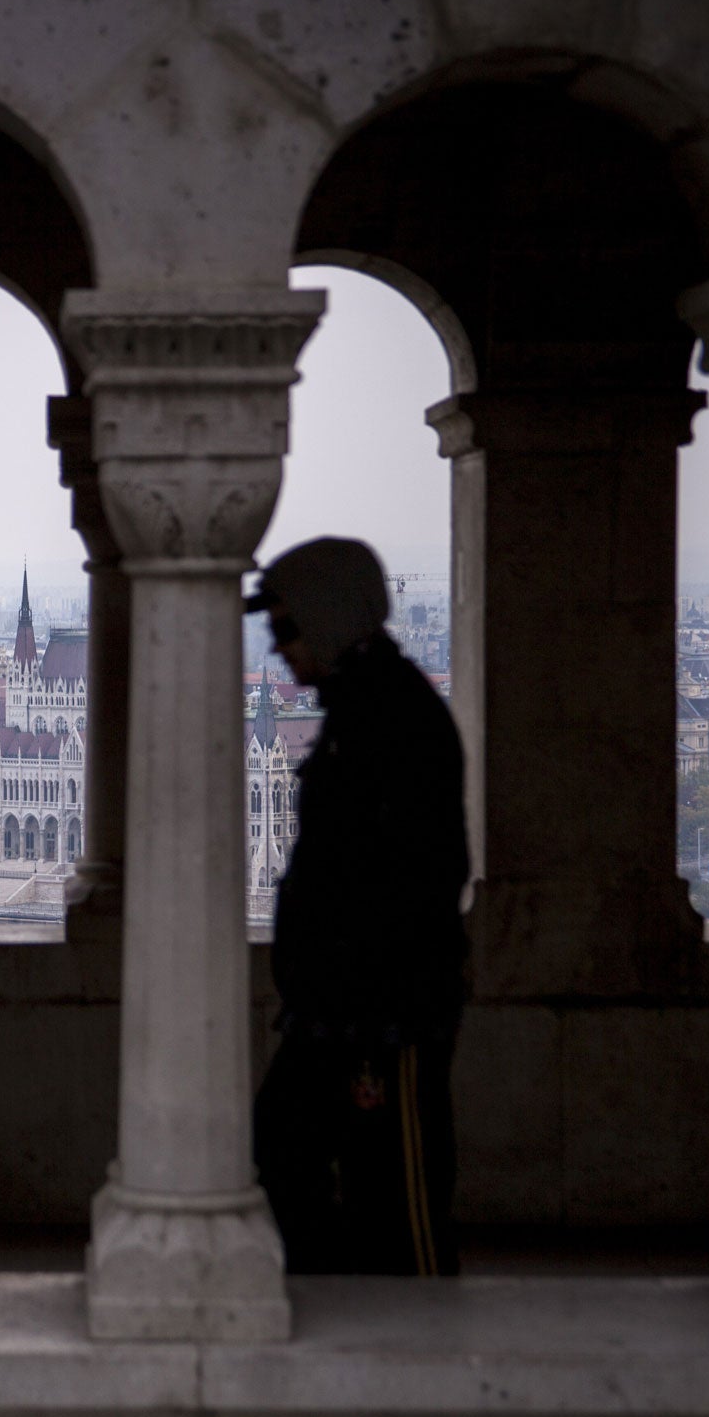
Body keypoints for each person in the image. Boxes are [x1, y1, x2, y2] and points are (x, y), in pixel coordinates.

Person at [244, 537, 468, 1276]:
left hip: (385, 1019)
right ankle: (343, 1299)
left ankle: (424, 1334)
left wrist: (360, 985)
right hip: (331, 1013)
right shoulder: (355, 712)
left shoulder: (395, 717)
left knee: (401, 1190)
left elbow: (417, 878)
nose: (278, 650)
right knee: (282, 1147)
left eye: (285, 629)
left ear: (332, 621)